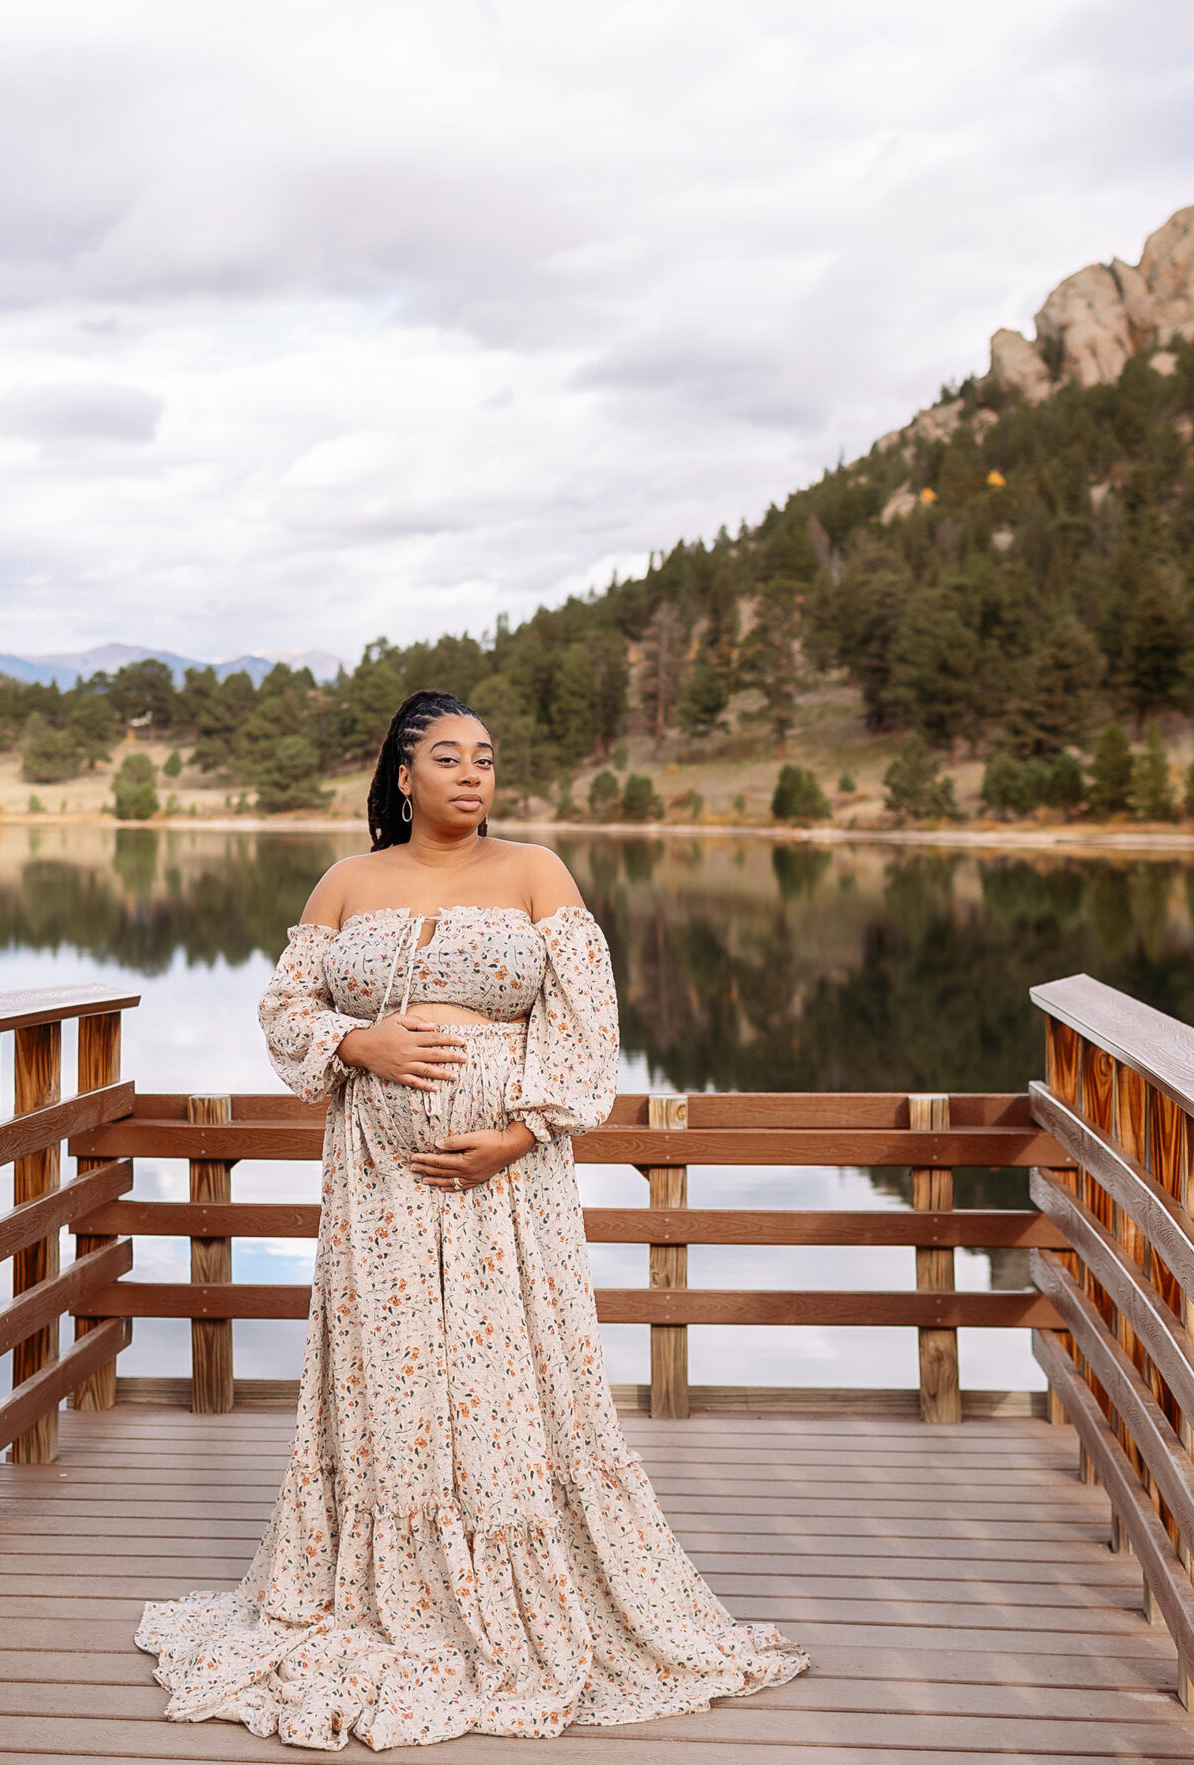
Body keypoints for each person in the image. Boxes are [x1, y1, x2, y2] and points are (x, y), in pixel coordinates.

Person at [136, 689, 809, 1749]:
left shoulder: (536, 871)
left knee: (504, 1374)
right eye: (446, 756)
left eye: (485, 757)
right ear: (401, 775)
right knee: (394, 1368)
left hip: (510, 1181)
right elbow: (285, 1011)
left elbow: (587, 1028)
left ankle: (530, 1594)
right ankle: (386, 1591)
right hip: (378, 1179)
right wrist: (362, 1046)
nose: (471, 774)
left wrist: (523, 1127)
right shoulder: (345, 882)